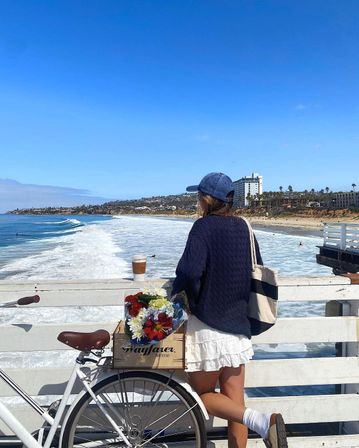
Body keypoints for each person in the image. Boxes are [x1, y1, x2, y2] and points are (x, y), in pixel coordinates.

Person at [172, 172, 288, 448]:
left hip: (208, 324)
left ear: (207, 199)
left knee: (202, 394)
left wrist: (183, 294)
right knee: (237, 407)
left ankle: (264, 421)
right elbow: (255, 267)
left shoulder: (203, 227)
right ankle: (259, 422)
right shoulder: (244, 227)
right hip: (239, 327)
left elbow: (189, 272)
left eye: (199, 196)